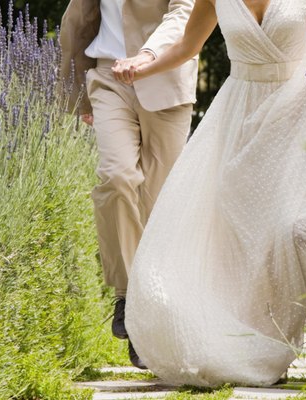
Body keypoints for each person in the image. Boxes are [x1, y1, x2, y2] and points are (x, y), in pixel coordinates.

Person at [115, 0, 306, 387]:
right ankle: (262, 341)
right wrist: (142, 67)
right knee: (245, 239)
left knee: (294, 227)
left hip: (298, 116)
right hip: (240, 121)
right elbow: (188, 47)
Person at [59, 0, 198, 369]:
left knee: (157, 202)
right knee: (116, 176)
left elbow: (185, 11)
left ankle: (156, 317)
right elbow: (80, 18)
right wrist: (77, 90)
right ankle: (128, 297)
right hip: (108, 78)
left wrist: (147, 55)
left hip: (164, 75)